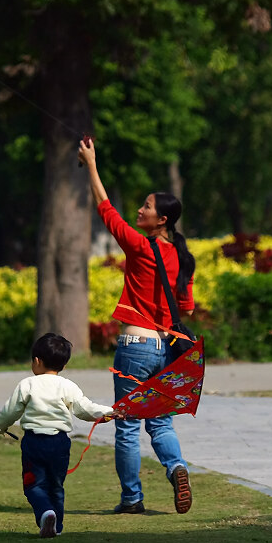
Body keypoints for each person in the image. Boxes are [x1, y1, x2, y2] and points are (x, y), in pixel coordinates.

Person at [78, 137, 196, 515]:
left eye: (146, 207)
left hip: (136, 345)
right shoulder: (184, 257)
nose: (140, 210)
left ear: (162, 219)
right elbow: (186, 307)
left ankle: (132, 499)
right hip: (169, 351)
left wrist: (91, 165)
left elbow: (105, 208)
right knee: (160, 423)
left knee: (127, 426)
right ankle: (177, 468)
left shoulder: (142, 247)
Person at [0, 332, 117, 538]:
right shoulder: (67, 386)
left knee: (33, 485)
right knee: (56, 486)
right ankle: (56, 526)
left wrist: (0, 425)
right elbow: (84, 408)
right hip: (60, 443)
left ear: (36, 361)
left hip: (34, 442)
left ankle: (45, 513)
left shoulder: (27, 384)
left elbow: (11, 411)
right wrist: (107, 412)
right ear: (64, 366)